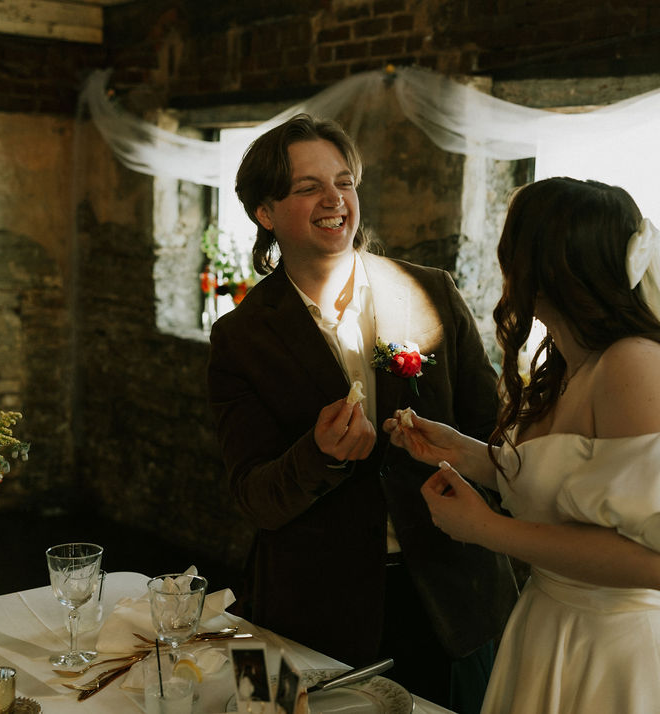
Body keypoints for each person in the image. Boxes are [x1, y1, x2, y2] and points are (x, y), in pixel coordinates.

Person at [385, 177, 660, 713]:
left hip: (624, 655)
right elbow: (575, 484)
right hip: (556, 629)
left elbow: (658, 563)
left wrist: (485, 529)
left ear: (544, 265)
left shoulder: (637, 366)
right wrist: (462, 452)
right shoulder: (570, 360)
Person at [206, 113, 518, 712]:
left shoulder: (431, 292)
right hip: (309, 608)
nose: (334, 200)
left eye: (344, 182)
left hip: (451, 599)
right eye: (308, 187)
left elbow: (495, 438)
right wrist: (316, 456)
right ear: (265, 214)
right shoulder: (239, 337)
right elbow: (253, 497)